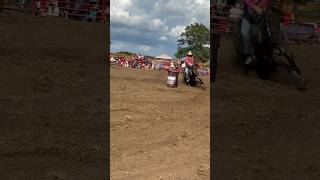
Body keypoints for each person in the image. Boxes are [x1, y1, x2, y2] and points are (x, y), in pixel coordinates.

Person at [241, 0, 270, 65]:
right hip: (248, 17)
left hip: (259, 16)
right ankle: (248, 53)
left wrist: (260, 4)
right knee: (244, 33)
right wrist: (254, 5)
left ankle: (265, 52)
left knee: (262, 35)